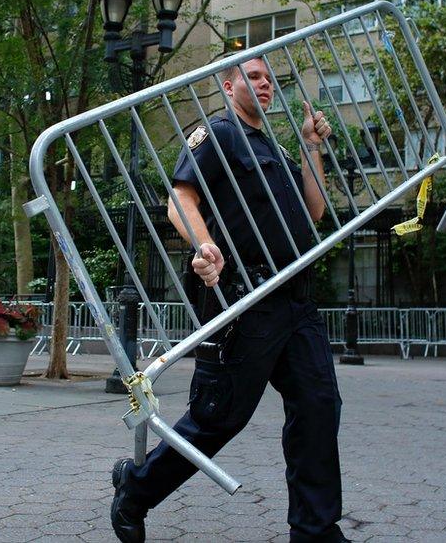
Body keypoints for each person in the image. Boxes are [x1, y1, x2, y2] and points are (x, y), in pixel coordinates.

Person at [110, 58, 349, 543]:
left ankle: (315, 531)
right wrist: (204, 246)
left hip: (296, 299)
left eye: (269, 80)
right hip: (248, 300)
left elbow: (314, 211)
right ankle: (135, 490)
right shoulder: (218, 133)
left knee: (319, 407)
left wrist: (310, 145)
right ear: (228, 85)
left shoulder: (274, 147)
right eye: (254, 77)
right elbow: (181, 198)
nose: (265, 85)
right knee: (219, 418)